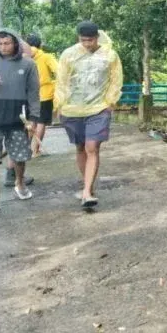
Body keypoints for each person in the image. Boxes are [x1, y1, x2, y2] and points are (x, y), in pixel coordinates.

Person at [55, 21, 123, 209]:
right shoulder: (68, 55)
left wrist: (111, 102)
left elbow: (116, 80)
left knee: (92, 147)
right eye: (83, 40)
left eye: (90, 40)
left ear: (97, 37)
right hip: (72, 108)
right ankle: (89, 186)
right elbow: (61, 81)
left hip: (99, 108)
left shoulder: (110, 55)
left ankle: (86, 192)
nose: (87, 44)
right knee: (80, 147)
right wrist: (59, 104)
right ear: (79, 38)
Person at [0, 28, 40, 201]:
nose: (3, 47)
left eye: (7, 43)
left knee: (20, 157)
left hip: (19, 119)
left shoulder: (28, 64)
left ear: (15, 43)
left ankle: (20, 182)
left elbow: (34, 93)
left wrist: (33, 118)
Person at [25, 34, 58, 158]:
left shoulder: (24, 57)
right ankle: (36, 151)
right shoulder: (45, 56)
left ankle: (26, 150)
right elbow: (58, 70)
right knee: (41, 123)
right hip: (44, 94)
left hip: (29, 95)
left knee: (31, 122)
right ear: (40, 45)